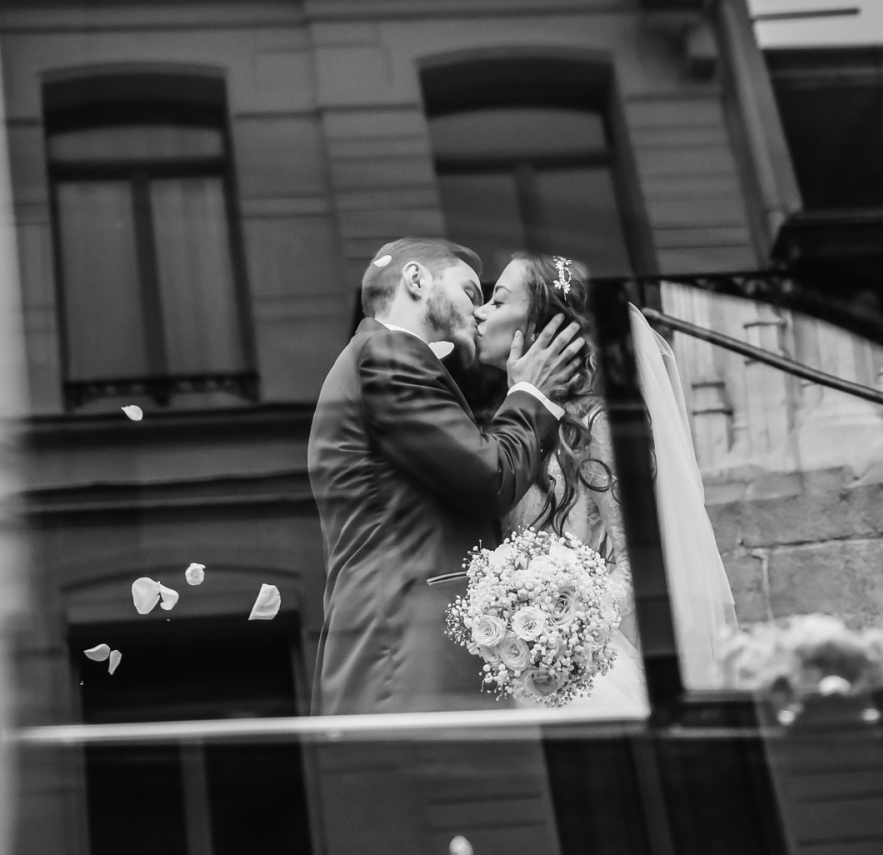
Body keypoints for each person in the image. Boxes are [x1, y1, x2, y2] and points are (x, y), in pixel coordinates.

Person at [308, 238, 586, 714]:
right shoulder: (387, 354)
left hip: (405, 654)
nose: (478, 312)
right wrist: (529, 394)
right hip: (403, 658)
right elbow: (490, 479)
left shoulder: (380, 357)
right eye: (471, 293)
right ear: (416, 280)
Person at [473, 253, 737, 711]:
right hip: (521, 663)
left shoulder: (597, 422)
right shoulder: (515, 420)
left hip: (579, 666)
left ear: (541, 329)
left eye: (497, 301)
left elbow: (637, 559)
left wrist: (562, 623)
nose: (480, 312)